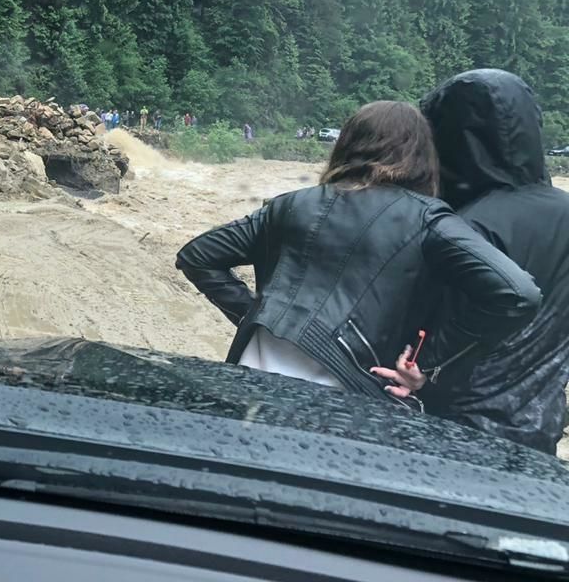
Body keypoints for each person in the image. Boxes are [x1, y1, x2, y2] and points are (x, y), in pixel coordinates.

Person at [176, 100, 540, 406]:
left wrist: (259, 313)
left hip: (250, 381)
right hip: (347, 397)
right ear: (422, 156)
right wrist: (425, 362)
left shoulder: (290, 205)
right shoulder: (428, 220)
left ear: (347, 144)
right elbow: (518, 293)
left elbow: (198, 256)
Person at [375, 69, 569, 454]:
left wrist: (423, 370)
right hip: (541, 421)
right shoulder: (564, 210)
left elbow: (428, 328)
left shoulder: (464, 226)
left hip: (455, 425)